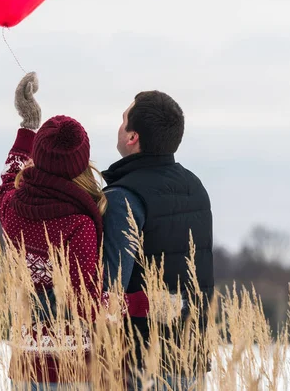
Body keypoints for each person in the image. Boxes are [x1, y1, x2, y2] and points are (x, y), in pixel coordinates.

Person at [0, 73, 148, 391]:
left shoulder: (13, 208)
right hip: (71, 366)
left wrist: (27, 125)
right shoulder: (78, 224)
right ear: (80, 164)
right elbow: (86, 303)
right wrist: (138, 303)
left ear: (39, 158)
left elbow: (8, 178)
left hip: (26, 363)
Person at [101, 91, 214, 390]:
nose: (120, 124)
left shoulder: (122, 197)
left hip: (141, 365)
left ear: (132, 137)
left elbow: (109, 291)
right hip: (191, 359)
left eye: (124, 119)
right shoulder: (195, 187)